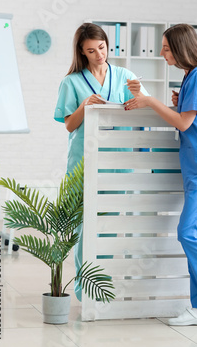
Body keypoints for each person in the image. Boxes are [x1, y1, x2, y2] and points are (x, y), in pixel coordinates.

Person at [124, 23, 197, 326]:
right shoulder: (191, 76)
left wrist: (151, 101)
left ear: (183, 47)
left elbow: (184, 124)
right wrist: (174, 102)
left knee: (187, 232)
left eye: (167, 48)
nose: (161, 53)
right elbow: (190, 119)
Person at [54, 22, 147, 300]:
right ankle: (86, 289)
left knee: (116, 224)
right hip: (85, 161)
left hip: (119, 162)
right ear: (82, 53)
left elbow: (145, 109)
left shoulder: (125, 76)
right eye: (91, 51)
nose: (99, 55)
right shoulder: (72, 82)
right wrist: (85, 106)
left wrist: (139, 97)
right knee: (87, 226)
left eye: (102, 48)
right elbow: (70, 125)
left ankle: (112, 285)